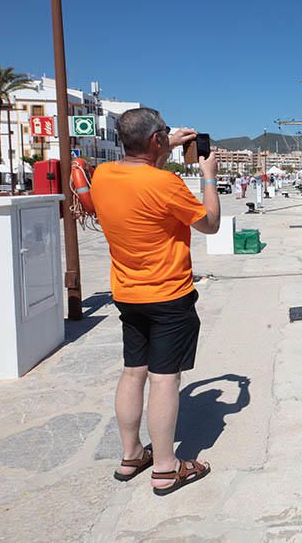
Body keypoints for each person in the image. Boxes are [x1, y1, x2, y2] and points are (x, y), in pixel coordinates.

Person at [90, 107, 221, 497]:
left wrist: (164, 144)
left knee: (134, 372)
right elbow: (210, 222)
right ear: (156, 141)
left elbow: (136, 165)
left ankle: (131, 454)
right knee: (165, 379)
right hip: (168, 295)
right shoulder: (165, 185)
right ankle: (166, 468)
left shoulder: (103, 176)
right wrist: (208, 177)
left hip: (128, 294)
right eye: (164, 132)